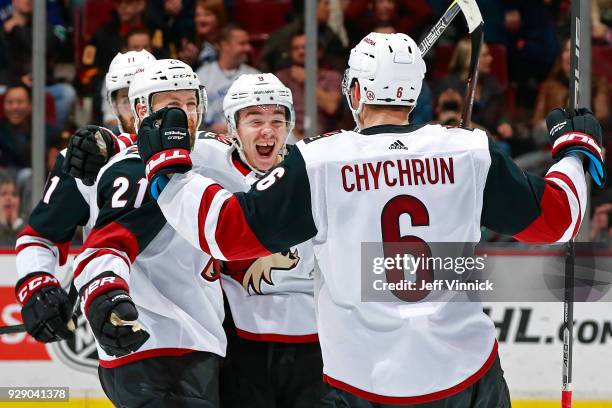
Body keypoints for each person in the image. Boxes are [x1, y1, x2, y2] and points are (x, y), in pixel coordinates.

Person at [140, 32, 604, 407]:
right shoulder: (469, 151)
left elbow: (228, 234)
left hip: (363, 384)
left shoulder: (319, 161)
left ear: (357, 91)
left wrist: (170, 169)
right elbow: (557, 219)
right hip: (466, 377)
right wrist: (575, 153)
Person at [71, 59, 224, 407]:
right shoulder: (130, 168)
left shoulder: (213, 156)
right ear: (142, 109)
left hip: (202, 339)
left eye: (190, 103)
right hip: (147, 343)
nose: (186, 115)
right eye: (172, 106)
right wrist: (104, 292)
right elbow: (107, 245)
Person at [13, 50, 151, 345]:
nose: (137, 110)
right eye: (126, 100)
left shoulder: (200, 154)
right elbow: (38, 238)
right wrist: (37, 286)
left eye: (145, 97)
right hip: (120, 324)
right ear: (112, 104)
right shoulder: (85, 159)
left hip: (206, 328)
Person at [213, 74, 324, 407]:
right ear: (232, 127)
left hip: (315, 339)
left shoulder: (312, 169)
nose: (268, 131)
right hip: (242, 339)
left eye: (277, 120)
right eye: (255, 120)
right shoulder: (207, 164)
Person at [275, 31, 342, 140]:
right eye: (296, 48)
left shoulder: (332, 76)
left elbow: (331, 107)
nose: (301, 52)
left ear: (319, 51)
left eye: (305, 47)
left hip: (326, 139)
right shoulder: (280, 78)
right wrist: (297, 137)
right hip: (290, 137)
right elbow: (277, 113)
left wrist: (307, 80)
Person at [196, 24, 259, 133]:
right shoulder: (202, 75)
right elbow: (192, 113)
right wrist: (208, 129)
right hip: (208, 138)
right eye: (242, 44)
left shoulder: (255, 77)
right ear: (225, 45)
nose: (248, 48)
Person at [0, 171, 23, 244]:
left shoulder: (28, 225)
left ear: (20, 200)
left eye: (14, 194)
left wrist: (15, 224)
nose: (9, 198)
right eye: (4, 194)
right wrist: (3, 223)